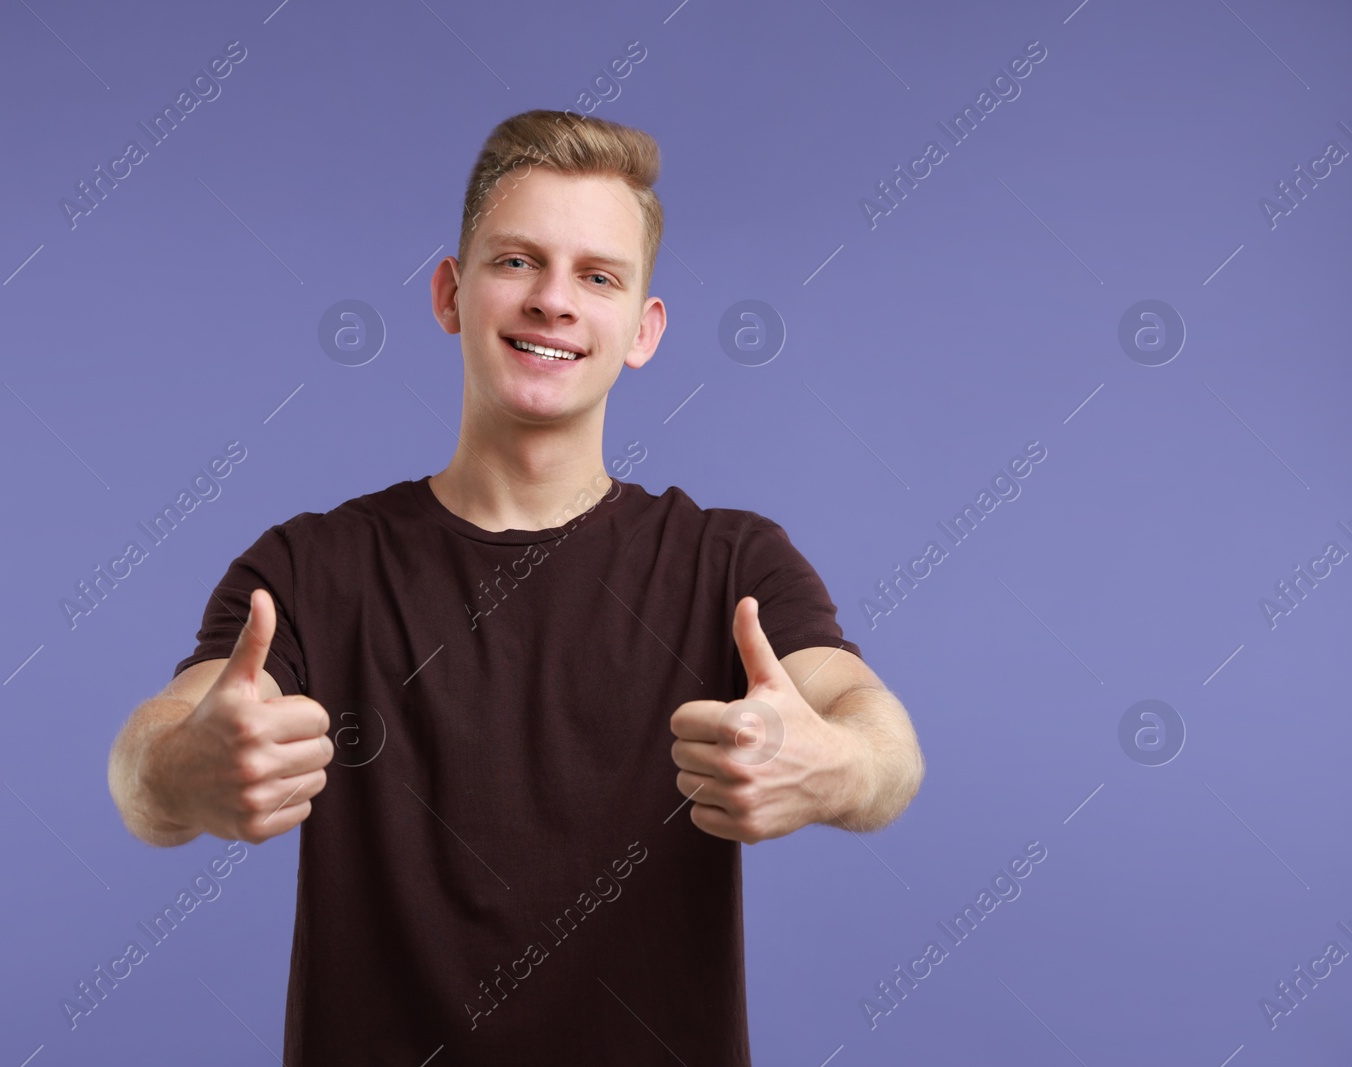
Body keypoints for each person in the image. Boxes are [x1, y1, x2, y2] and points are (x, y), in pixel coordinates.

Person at [108, 108, 924, 1065]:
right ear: (450, 293)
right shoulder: (307, 569)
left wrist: (838, 764)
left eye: (599, 276)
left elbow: (877, 731)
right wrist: (179, 770)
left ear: (643, 330)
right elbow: (151, 755)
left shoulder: (730, 561)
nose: (554, 300)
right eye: (516, 262)